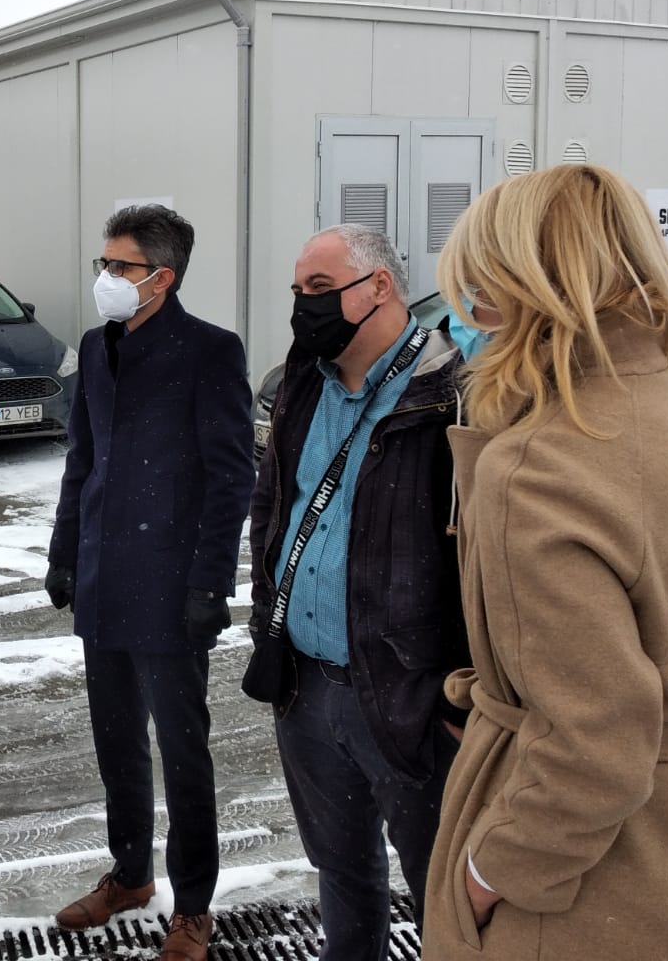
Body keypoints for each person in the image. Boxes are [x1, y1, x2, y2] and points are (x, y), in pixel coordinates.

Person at [422, 165, 668, 959]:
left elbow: (596, 741)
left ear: (530, 289)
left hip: (575, 896)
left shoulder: (542, 461)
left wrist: (489, 873)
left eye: (479, 292)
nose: (467, 319)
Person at [243, 224, 468, 961]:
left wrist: (457, 698)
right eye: (297, 290)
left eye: (319, 288)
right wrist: (267, 623)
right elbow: (273, 506)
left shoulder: (452, 397)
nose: (303, 306)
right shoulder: (303, 381)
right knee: (341, 871)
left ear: (380, 288)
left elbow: (479, 563)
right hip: (305, 688)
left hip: (409, 698)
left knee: (444, 891)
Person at [44, 204, 255, 961]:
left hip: (170, 589)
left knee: (183, 750)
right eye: (102, 263)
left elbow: (232, 477)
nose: (105, 276)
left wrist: (210, 585)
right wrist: (64, 551)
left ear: (161, 278)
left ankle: (192, 905)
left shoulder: (210, 351)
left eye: (119, 266)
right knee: (117, 742)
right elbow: (82, 459)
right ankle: (130, 875)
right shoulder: (97, 347)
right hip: (104, 580)